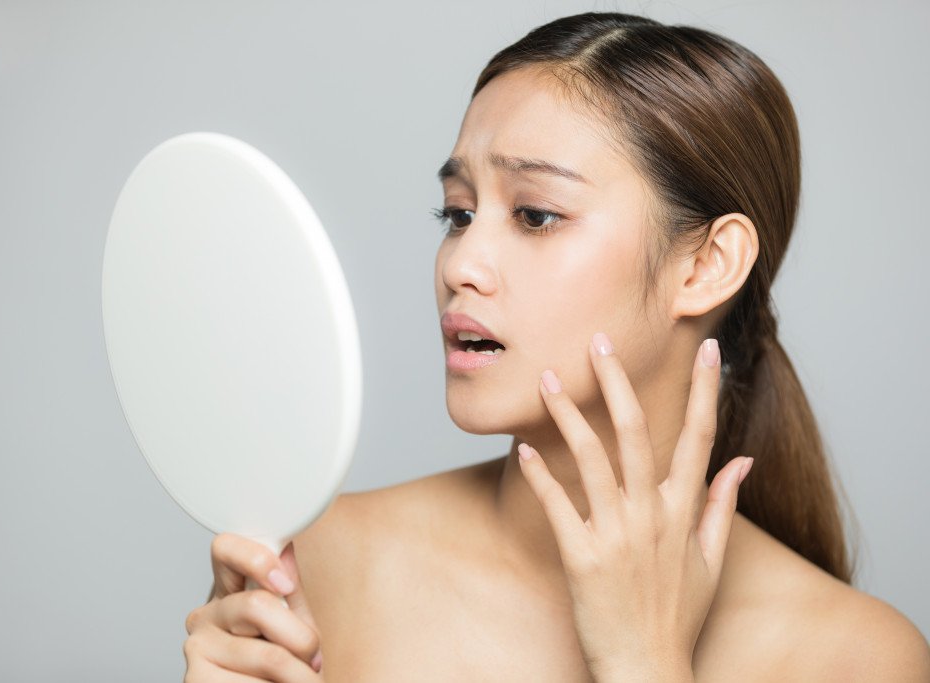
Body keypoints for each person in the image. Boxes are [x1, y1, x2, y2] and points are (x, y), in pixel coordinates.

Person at [181, 11, 930, 681]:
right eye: (458, 213)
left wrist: (646, 664)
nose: (459, 265)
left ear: (706, 265)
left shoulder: (856, 657)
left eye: (535, 215)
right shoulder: (319, 563)